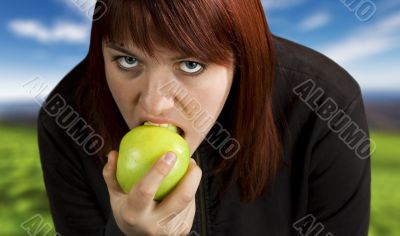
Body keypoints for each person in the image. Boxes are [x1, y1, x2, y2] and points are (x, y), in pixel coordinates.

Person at [37, 0, 371, 235]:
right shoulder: (67, 118)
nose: (154, 102)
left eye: (191, 65)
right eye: (127, 60)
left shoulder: (326, 104)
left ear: (242, 57)